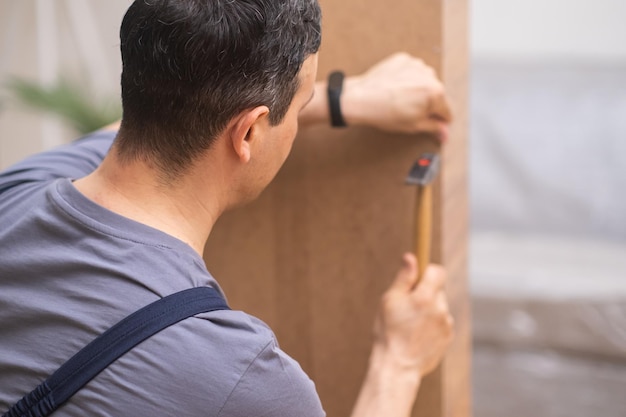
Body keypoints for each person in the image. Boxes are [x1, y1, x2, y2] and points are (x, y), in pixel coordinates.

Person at [0, 1, 454, 416]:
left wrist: (339, 99)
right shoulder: (238, 376)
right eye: (302, 106)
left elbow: (135, 122)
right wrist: (400, 363)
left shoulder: (15, 192)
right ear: (251, 134)